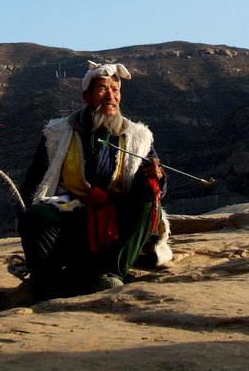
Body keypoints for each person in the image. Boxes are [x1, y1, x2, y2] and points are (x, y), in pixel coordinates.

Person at [17, 61, 172, 300]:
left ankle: (110, 272)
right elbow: (36, 179)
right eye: (102, 89)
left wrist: (155, 177)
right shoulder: (58, 132)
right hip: (70, 205)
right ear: (87, 96)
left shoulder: (138, 136)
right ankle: (48, 281)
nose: (110, 96)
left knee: (148, 202)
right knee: (35, 216)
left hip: (118, 208)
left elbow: (151, 187)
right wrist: (26, 219)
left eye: (115, 89)